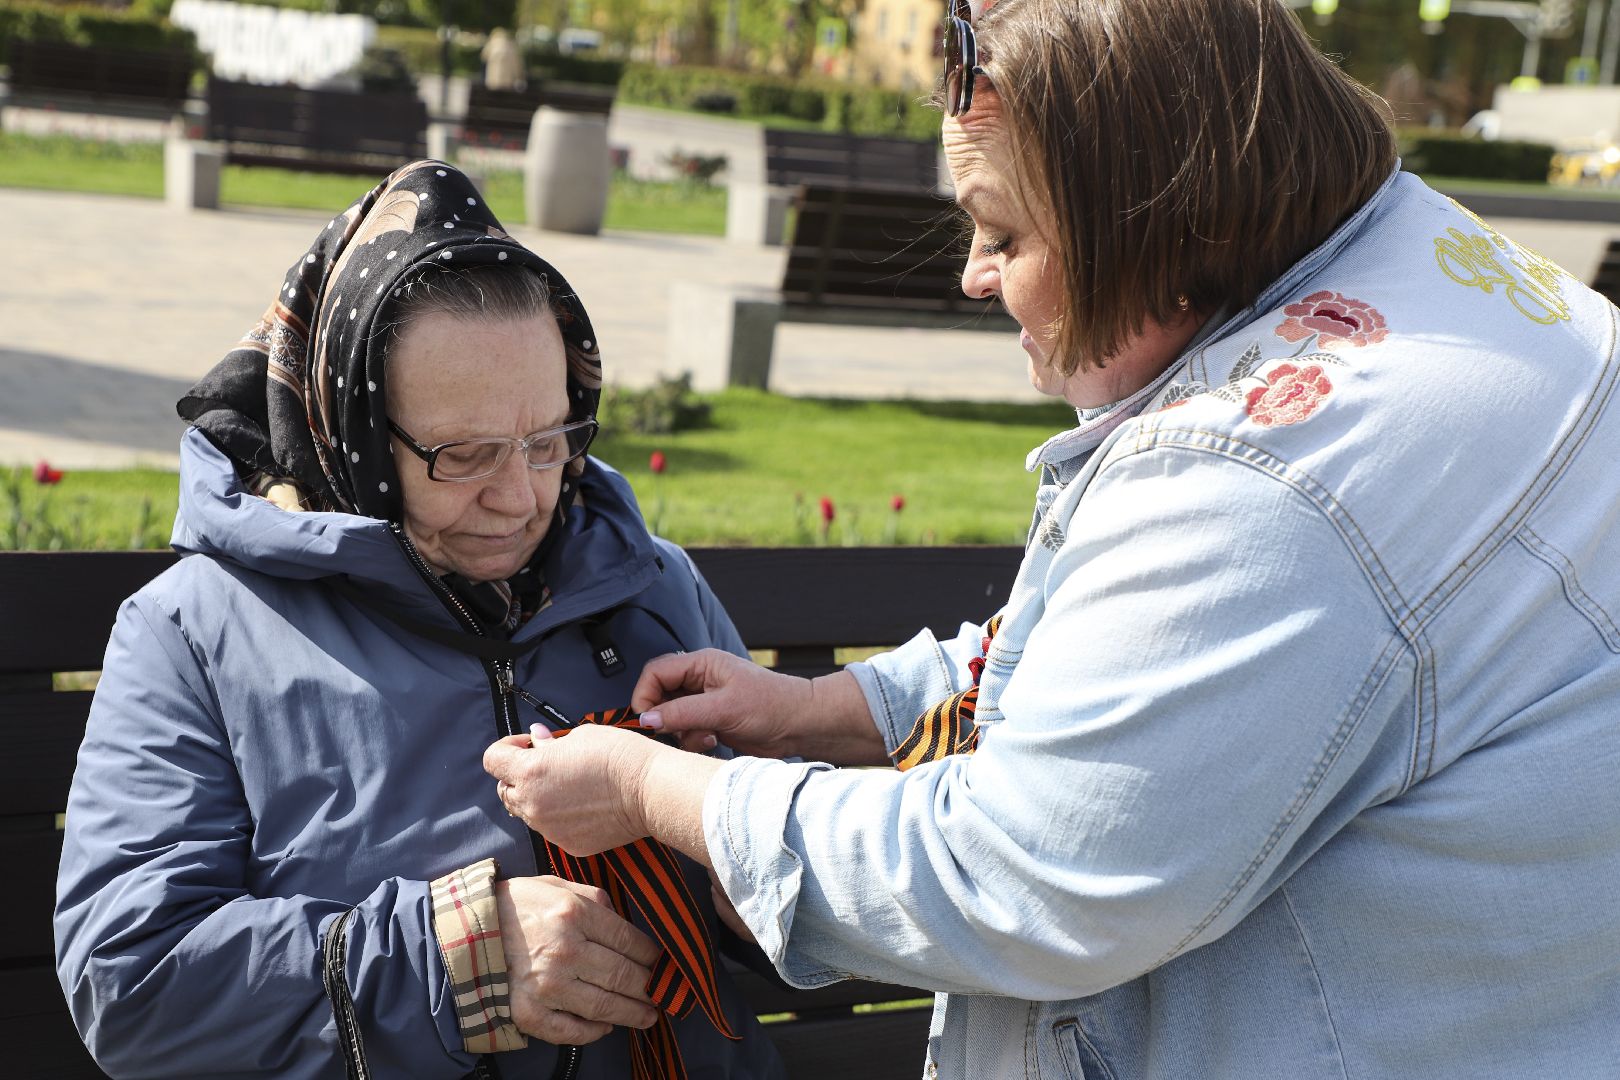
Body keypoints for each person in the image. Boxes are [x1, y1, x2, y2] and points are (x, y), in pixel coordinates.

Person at [482, 1, 1620, 1077]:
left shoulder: (1267, 480)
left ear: (1151, 214)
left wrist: (652, 789)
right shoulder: (1427, 265)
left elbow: (1012, 877)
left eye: (1004, 232)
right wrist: (831, 708)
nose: (974, 275)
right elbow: (1133, 661)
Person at [54, 161, 785, 1080]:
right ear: (353, 432)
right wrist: (460, 960)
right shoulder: (194, 634)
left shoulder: (654, 586)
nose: (520, 497)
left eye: (548, 440)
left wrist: (755, 881)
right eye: (464, 454)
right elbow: (131, 981)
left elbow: (813, 888)